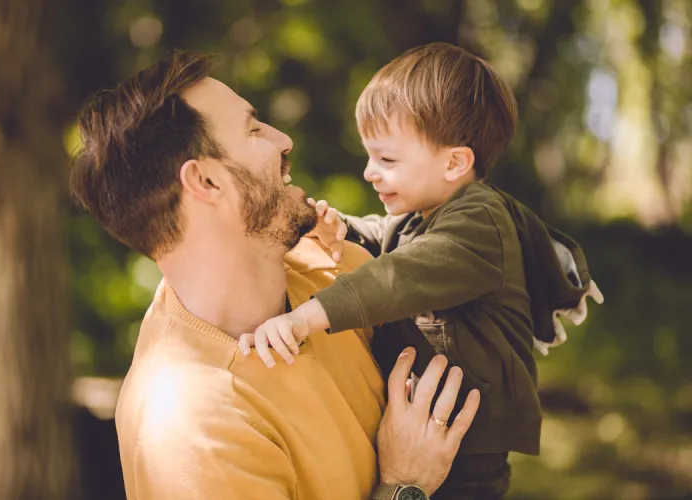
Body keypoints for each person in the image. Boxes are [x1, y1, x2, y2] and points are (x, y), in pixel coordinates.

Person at [68, 50, 480, 500]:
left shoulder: (331, 266)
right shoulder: (192, 427)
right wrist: (407, 485)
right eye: (253, 128)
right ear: (206, 182)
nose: (283, 139)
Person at [241, 43, 604, 499]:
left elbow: (400, 274)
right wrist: (335, 227)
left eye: (387, 159)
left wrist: (307, 318)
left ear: (455, 162)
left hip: (465, 448)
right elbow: (382, 236)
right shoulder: (424, 215)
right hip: (434, 426)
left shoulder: (480, 224)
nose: (370, 173)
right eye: (370, 156)